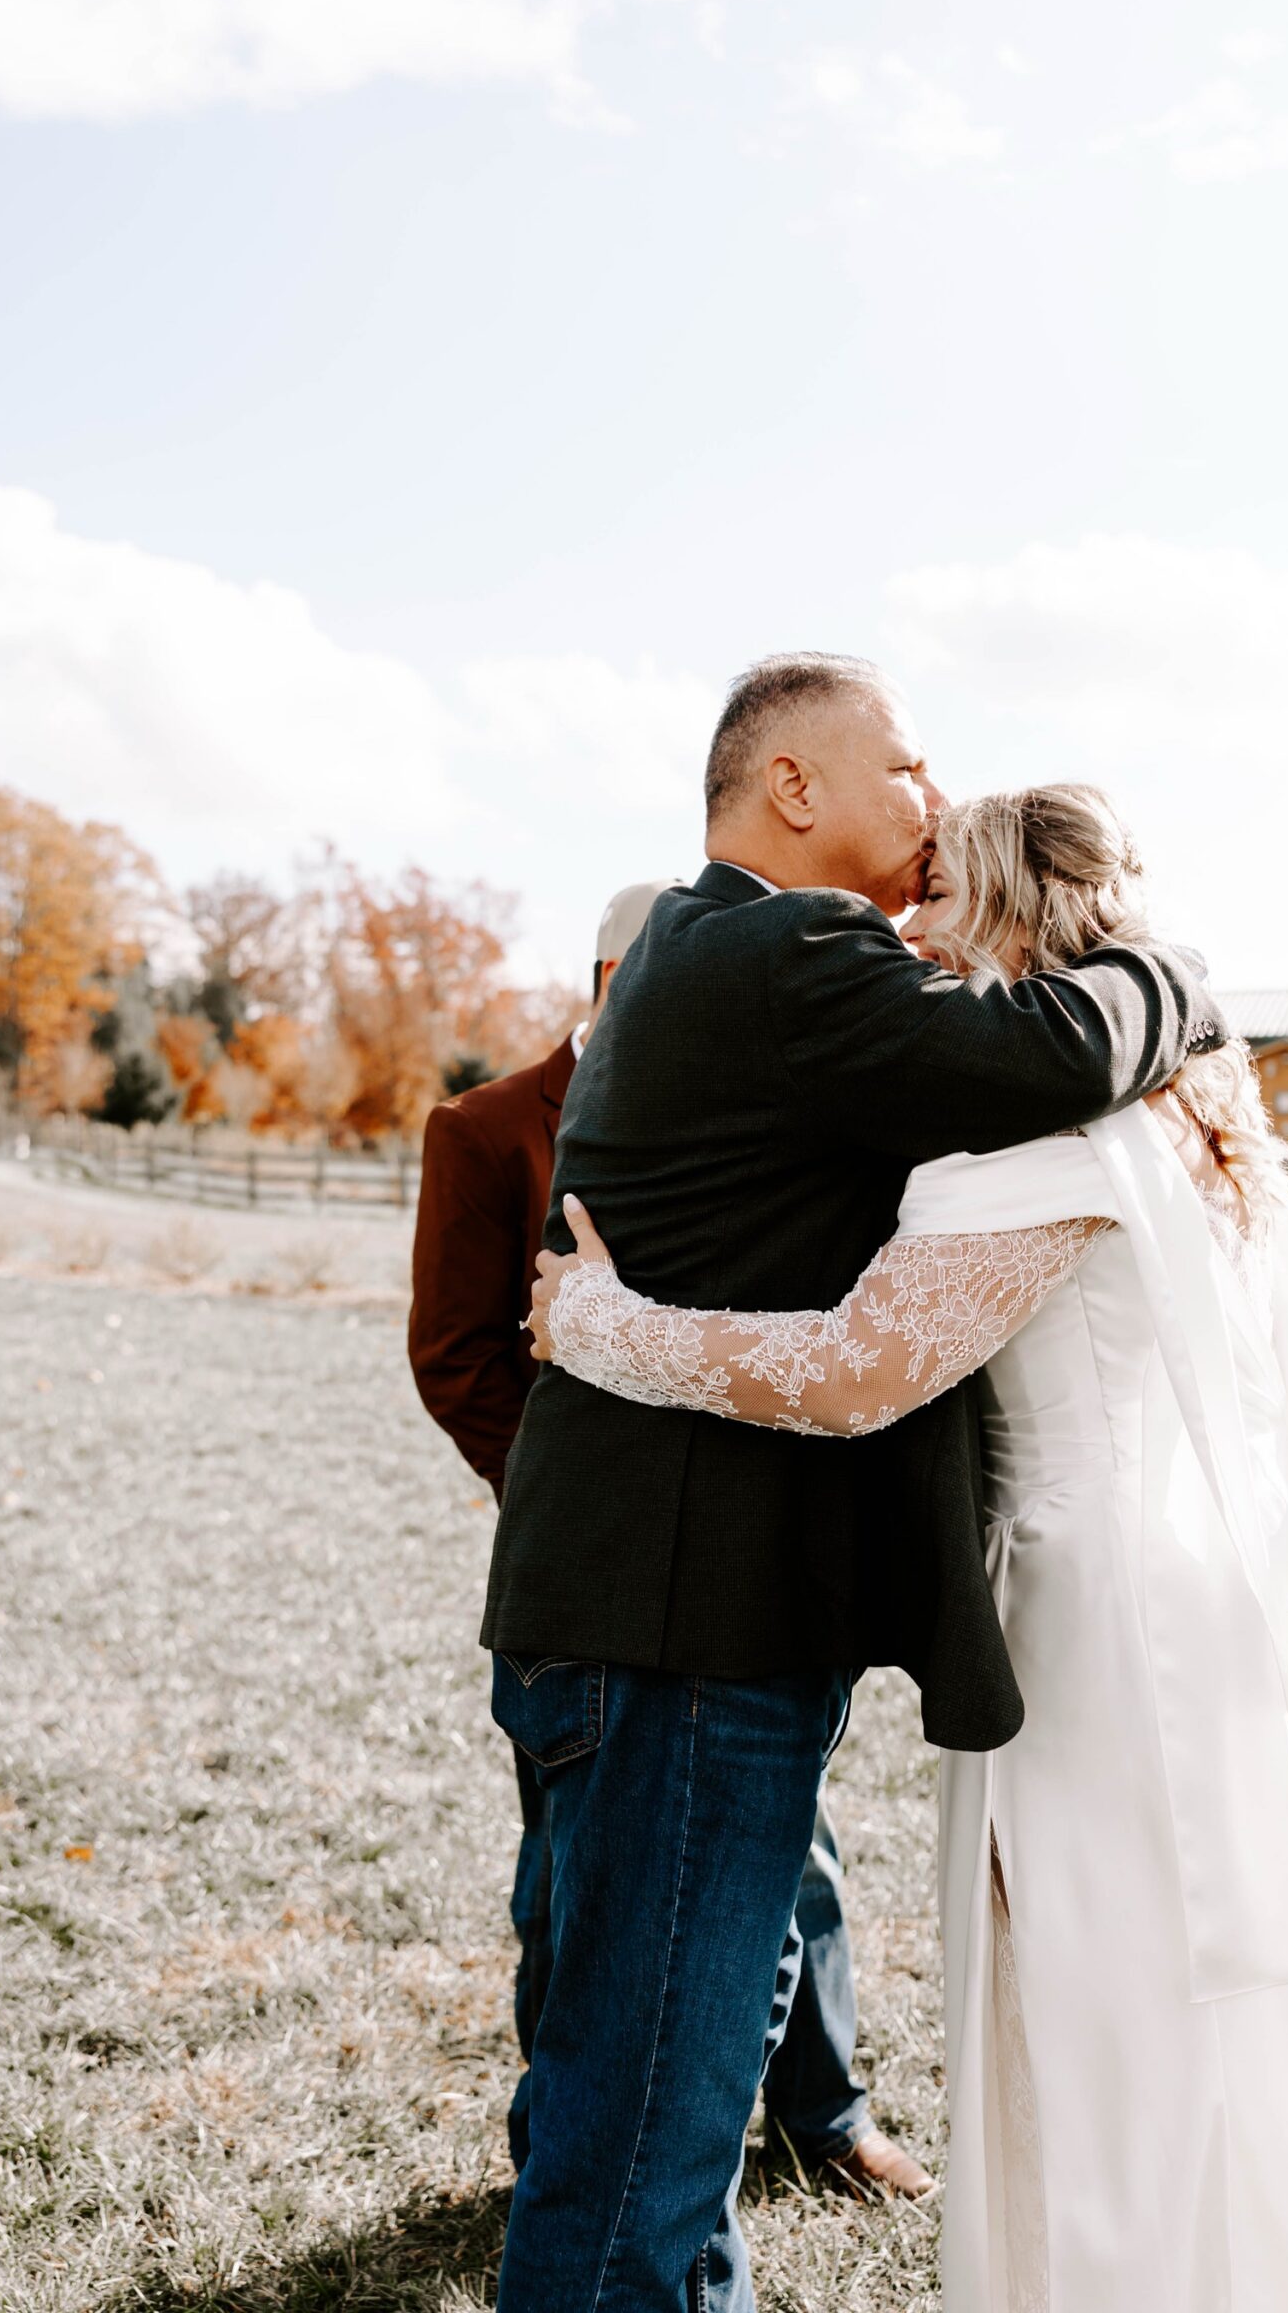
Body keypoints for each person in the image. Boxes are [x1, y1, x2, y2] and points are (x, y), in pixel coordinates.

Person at [536, 783, 1288, 2313]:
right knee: (1191, 2024)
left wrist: (602, 1326)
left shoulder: (1052, 1144)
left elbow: (855, 1371)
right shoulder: (1182, 1118)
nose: (905, 935)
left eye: (934, 901)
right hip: (1178, 1603)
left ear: (1004, 915)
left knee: (1122, 2032)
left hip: (1105, 1640)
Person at [479, 658, 1223, 2313]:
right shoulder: (784, 944)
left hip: (657, 1607)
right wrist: (1174, 963)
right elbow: (1046, 1055)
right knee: (639, 2144)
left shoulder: (704, 949)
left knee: (665, 2127)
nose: (933, 799)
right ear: (795, 787)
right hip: (683, 1624)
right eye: (908, 764)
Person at [410, 875, 929, 2205]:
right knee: (568, 1876)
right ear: (616, 978)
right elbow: (457, 1352)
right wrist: (567, 1491)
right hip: (585, 1571)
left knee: (795, 1857)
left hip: (747, 1568)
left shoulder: (757, 1093)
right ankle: (566, 2149)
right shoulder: (482, 1127)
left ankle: (822, 2113)